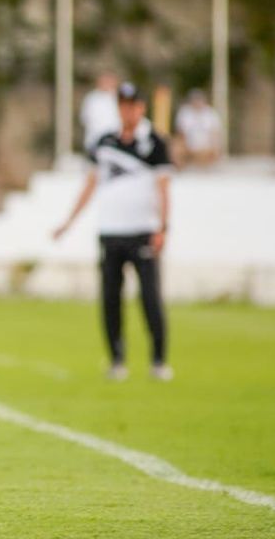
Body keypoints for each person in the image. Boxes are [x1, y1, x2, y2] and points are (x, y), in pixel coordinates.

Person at [53, 82, 173, 382]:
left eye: (133, 105)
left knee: (149, 298)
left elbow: (163, 188)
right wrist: (69, 221)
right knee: (110, 298)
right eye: (123, 104)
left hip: (142, 230)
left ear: (141, 108)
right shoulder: (104, 141)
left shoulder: (154, 142)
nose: (128, 110)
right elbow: (91, 183)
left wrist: (163, 227)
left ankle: (158, 359)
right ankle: (117, 359)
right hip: (111, 231)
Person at [173, 89, 223, 168]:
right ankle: (181, 168)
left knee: (211, 151)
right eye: (195, 100)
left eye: (199, 100)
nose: (197, 103)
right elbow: (180, 133)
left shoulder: (211, 113)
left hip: (206, 147)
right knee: (176, 147)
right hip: (188, 146)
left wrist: (213, 148)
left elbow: (215, 134)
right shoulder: (185, 112)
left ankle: (205, 166)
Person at [80, 71, 121, 153]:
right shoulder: (91, 99)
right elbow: (85, 119)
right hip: (95, 142)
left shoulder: (119, 98)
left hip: (115, 142)